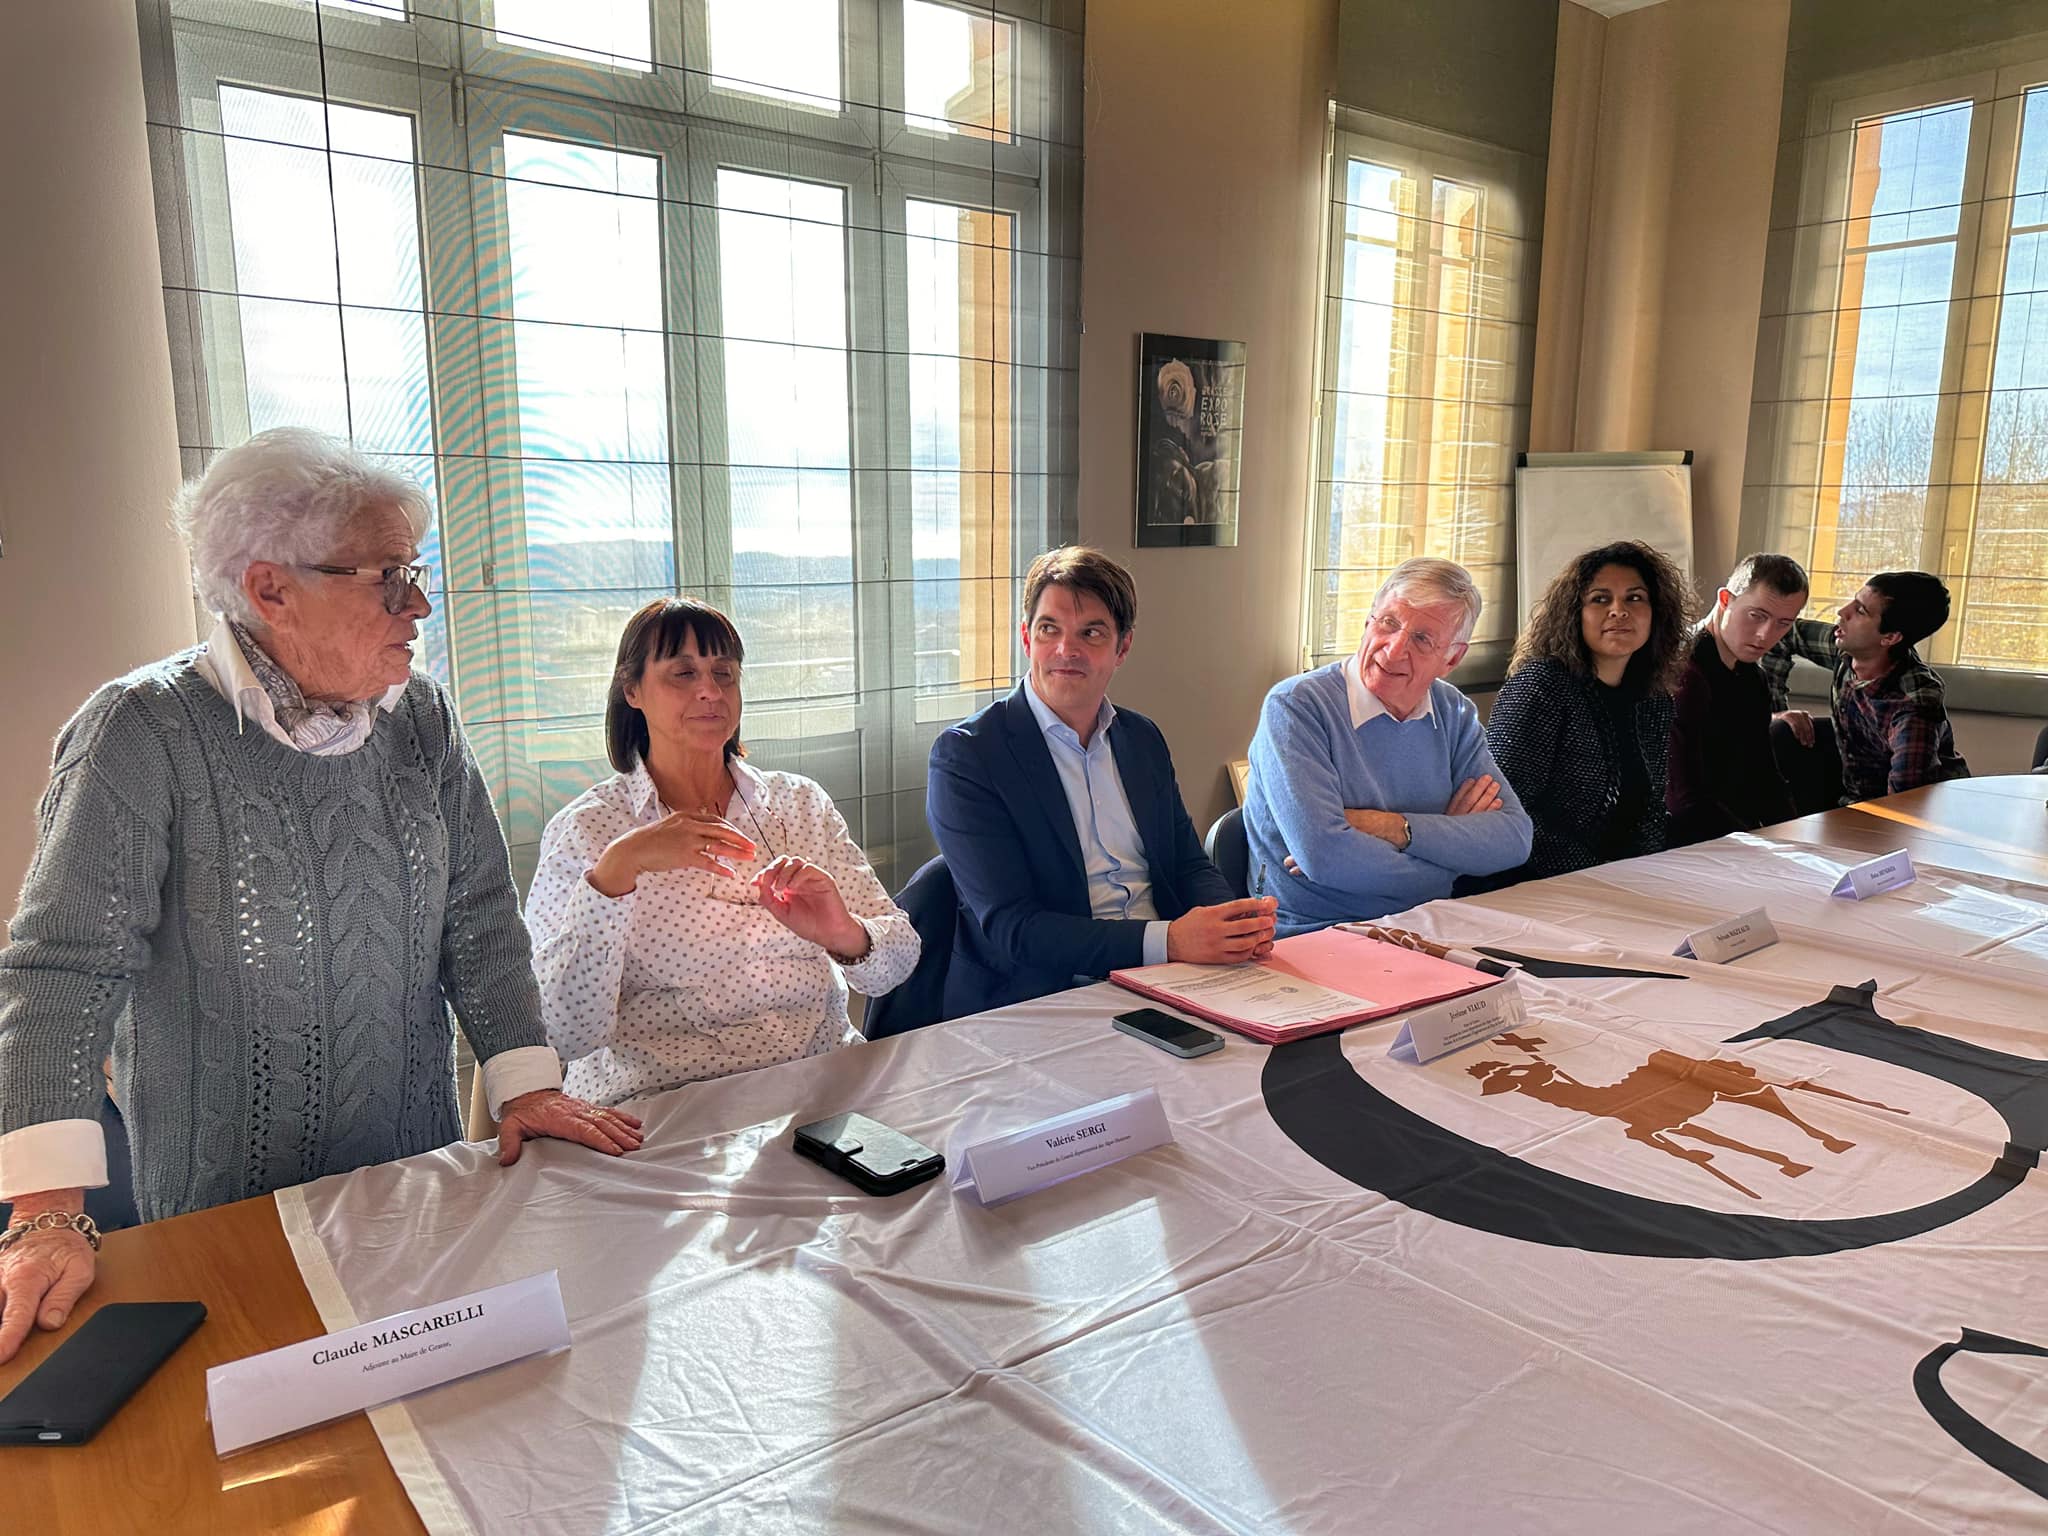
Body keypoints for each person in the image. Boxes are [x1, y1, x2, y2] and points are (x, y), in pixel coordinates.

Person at [0, 428, 642, 1367]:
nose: (418, 605)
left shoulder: (421, 717)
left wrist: (527, 1081)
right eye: (387, 578)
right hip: (226, 1211)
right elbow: (64, 972)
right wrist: (45, 1216)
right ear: (270, 589)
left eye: (414, 573)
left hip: (413, 1182)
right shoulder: (141, 733)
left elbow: (477, 916)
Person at [525, 599, 918, 1105]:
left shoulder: (799, 804)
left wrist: (843, 933)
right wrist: (616, 872)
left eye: (724, 673)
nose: (710, 691)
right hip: (664, 1099)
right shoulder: (588, 830)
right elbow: (560, 1033)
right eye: (683, 673)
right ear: (632, 690)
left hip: (818, 1081)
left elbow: (897, 966)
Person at [927, 547, 1276, 1015]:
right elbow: (1015, 929)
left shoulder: (1141, 738)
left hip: (1171, 977)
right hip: (1042, 996)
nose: (1066, 650)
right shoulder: (969, 756)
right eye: (1049, 629)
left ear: (1122, 648)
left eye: (1091, 633)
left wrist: (1231, 925)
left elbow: (1187, 865)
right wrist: (1170, 940)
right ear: (1026, 638)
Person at [1244, 556, 1531, 934]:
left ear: (1452, 658)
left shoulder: (1452, 711)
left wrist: (1392, 827)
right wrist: (1451, 859)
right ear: (1368, 622)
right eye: (1389, 623)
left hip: (1430, 925)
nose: (1394, 650)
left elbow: (1513, 839)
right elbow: (1326, 859)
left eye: (1422, 639)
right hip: (1314, 933)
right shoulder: (1296, 706)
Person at [1484, 541, 1690, 882]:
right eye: (1600, 599)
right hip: (1528, 883)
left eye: (1635, 598)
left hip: (1613, 881)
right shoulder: (1541, 685)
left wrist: (1645, 874)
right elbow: (1508, 808)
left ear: (1656, 613)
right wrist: (1596, 876)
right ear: (1574, 613)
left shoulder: (1654, 699)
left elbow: (1651, 810)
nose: (1619, 610)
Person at [1759, 570, 1970, 804]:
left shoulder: (1914, 705)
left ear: (1890, 637)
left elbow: (1904, 804)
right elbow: (1783, 634)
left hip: (1917, 808)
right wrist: (1775, 711)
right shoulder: (1850, 647)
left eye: (1860, 611)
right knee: (1779, 731)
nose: (1842, 612)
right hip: (1854, 779)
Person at [1666, 553, 1809, 845]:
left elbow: (1765, 773)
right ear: (1725, 599)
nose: (1765, 635)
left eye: (1783, 623)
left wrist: (1796, 841)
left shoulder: (1753, 678)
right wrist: (1763, 847)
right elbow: (1684, 800)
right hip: (1682, 844)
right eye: (1757, 615)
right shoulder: (1682, 673)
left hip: (1736, 835)